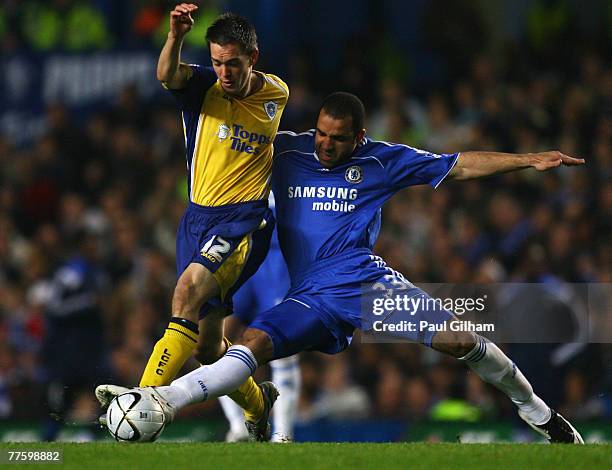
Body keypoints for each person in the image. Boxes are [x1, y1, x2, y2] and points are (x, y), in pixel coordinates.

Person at [99, 92, 584, 443]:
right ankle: (162, 402)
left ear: (360, 137)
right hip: (308, 295)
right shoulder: (286, 151)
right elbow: (231, 146)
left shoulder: (383, 160)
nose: (325, 145)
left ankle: (535, 410)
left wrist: (529, 160)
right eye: (321, 134)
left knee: (459, 340)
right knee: (251, 343)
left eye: (338, 139)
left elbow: (457, 164)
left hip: (364, 284)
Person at [96, 4, 289, 441]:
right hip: (197, 218)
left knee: (184, 293)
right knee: (207, 349)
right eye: (218, 62)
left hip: (244, 220)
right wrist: (175, 37)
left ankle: (142, 399)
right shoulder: (203, 86)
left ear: (253, 58)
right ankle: (259, 405)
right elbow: (167, 74)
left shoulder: (276, 93)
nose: (224, 72)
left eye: (233, 63)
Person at [218, 193, 300, 443]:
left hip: (276, 259)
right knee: (214, 341)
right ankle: (238, 426)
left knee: (282, 346)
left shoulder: (292, 158)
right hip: (241, 254)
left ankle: (283, 434)